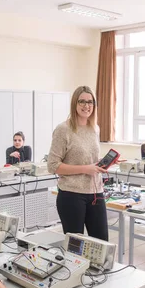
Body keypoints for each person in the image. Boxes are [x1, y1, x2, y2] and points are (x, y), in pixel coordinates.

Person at [47, 86, 108, 241]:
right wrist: (86, 169)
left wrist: (102, 163)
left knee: (102, 243)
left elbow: (89, 159)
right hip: (71, 195)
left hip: (95, 193)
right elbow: (53, 165)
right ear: (74, 103)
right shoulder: (63, 129)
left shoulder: (95, 128)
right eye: (82, 101)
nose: (86, 106)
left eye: (90, 102)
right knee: (76, 247)